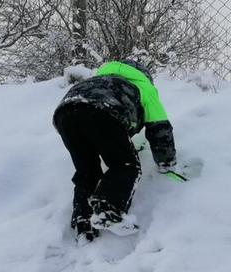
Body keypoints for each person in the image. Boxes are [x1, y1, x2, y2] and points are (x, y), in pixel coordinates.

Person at [52, 58, 177, 240]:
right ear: (144, 75)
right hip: (103, 111)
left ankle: (84, 220)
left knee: (87, 171)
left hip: (65, 113)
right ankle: (108, 209)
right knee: (125, 166)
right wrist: (166, 162)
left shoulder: (98, 81)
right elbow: (160, 128)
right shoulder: (144, 87)